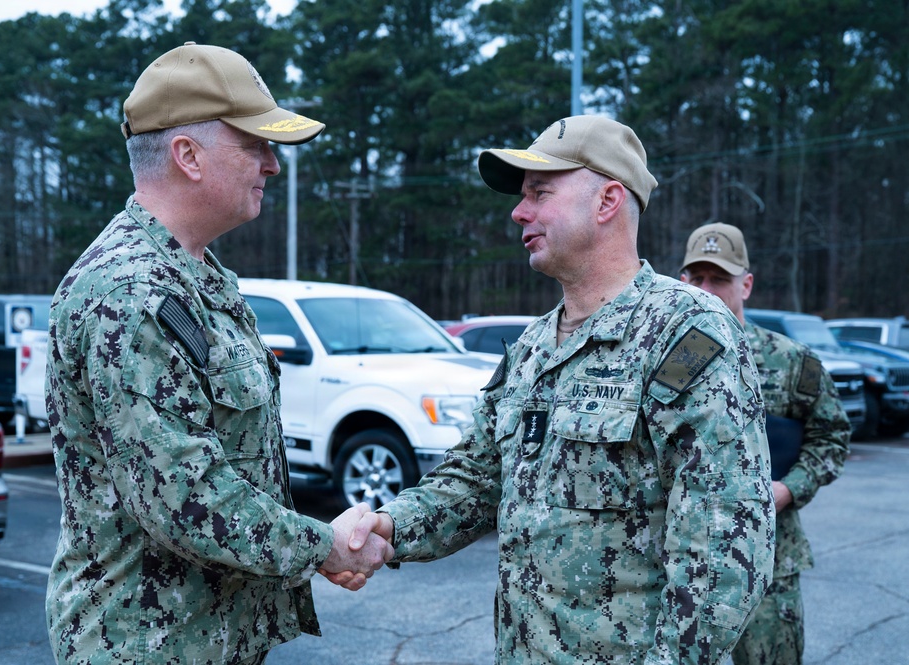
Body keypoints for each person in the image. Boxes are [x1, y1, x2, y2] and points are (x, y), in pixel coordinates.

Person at [329, 115, 776, 663]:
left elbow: (724, 545)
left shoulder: (685, 334)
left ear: (607, 201)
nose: (519, 212)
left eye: (540, 193)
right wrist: (388, 526)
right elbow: (476, 479)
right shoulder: (532, 348)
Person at [44, 42, 391, 665]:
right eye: (255, 145)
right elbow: (184, 497)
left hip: (204, 638)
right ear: (188, 156)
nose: (273, 165)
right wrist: (325, 546)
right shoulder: (131, 292)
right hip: (146, 645)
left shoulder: (194, 277)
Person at [679, 222, 850, 665]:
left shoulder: (791, 362)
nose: (707, 290)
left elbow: (831, 437)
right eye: (697, 278)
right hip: (683, 565)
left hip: (768, 562)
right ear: (682, 282)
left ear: (746, 284)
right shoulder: (671, 365)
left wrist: (789, 489)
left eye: (719, 278)